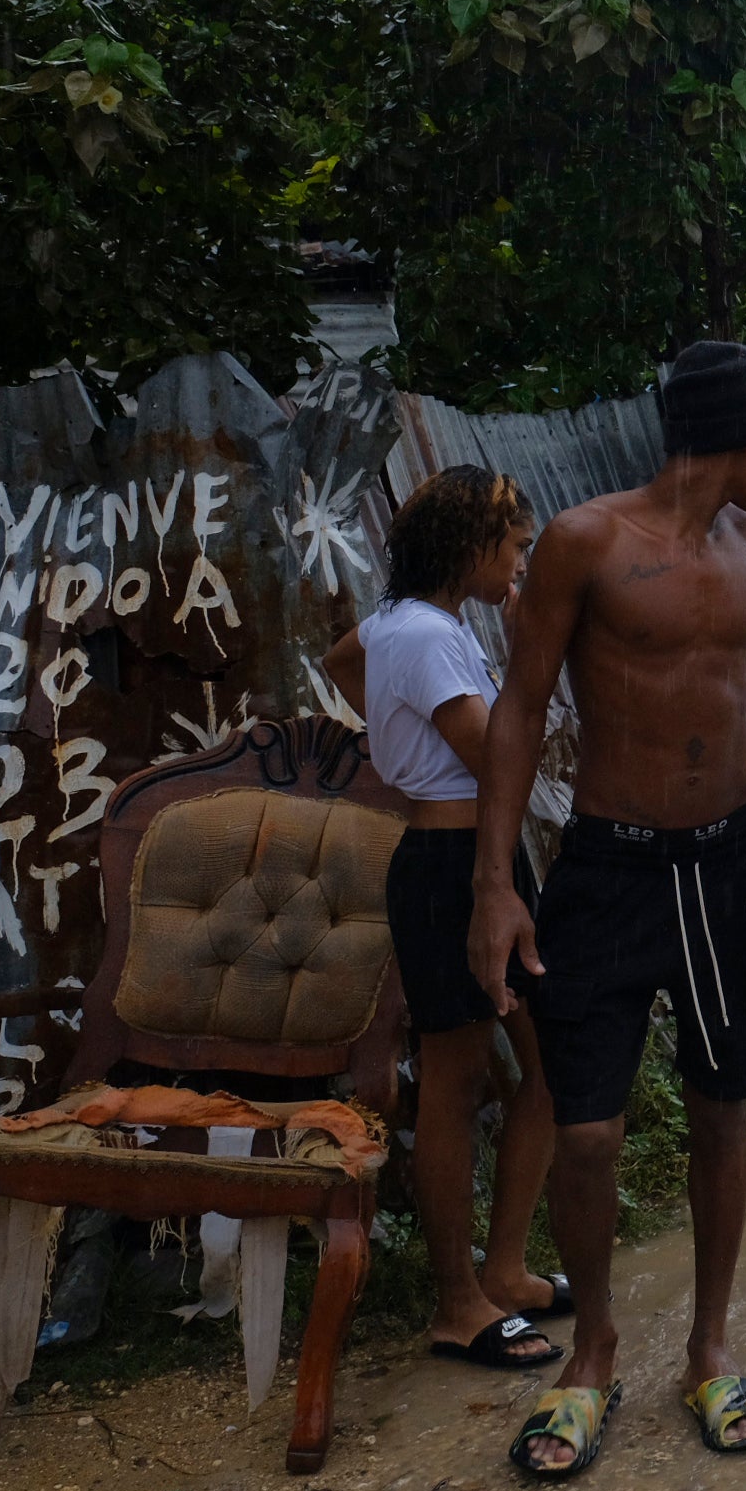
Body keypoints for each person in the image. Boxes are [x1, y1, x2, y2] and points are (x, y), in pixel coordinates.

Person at [467, 341, 746, 1480]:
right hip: (611, 864)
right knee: (585, 1126)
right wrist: (495, 884)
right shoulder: (587, 542)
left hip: (730, 861)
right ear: (733, 437)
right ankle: (591, 1345)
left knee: (720, 1105)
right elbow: (518, 707)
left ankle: (708, 1343)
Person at [321, 467, 567, 1371]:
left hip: (472, 861)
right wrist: (532, 663)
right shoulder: (427, 635)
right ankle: (458, 1302)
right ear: (472, 550)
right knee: (458, 1083)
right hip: (449, 868)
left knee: (545, 1063)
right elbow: (494, 749)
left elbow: (347, 661)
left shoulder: (403, 627)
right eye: (513, 549)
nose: (521, 564)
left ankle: (503, 1270)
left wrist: (396, 737)